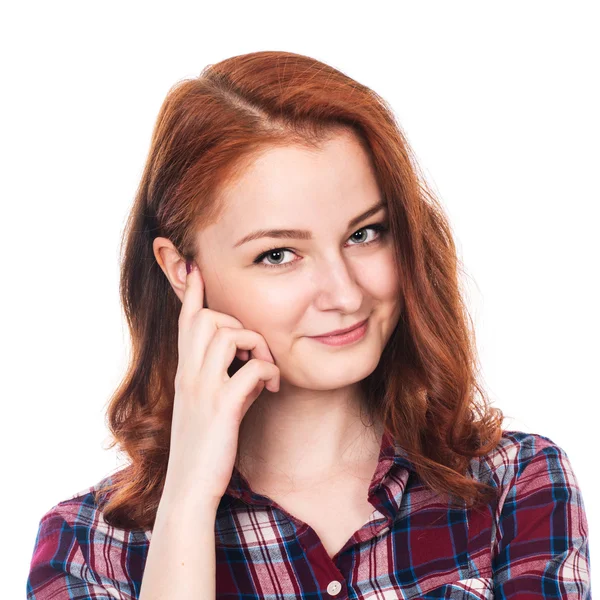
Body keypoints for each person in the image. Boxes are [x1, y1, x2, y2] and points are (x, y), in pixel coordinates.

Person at [26, 50, 591, 599]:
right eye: (278, 254)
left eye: (364, 233)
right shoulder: (87, 547)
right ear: (182, 270)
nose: (345, 293)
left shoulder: (514, 484)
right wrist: (189, 500)